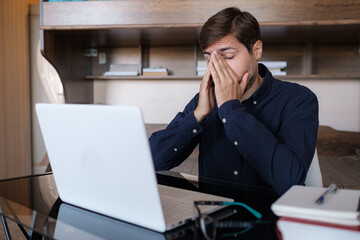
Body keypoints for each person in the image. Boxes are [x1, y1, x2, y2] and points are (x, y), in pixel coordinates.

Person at [149, 7, 319, 195]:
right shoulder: (204, 100)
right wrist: (198, 114)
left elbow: (290, 181)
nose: (217, 68)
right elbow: (152, 160)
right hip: (212, 217)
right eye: (209, 59)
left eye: (227, 57)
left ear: (256, 50)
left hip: (269, 219)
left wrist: (231, 110)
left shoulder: (299, 100)